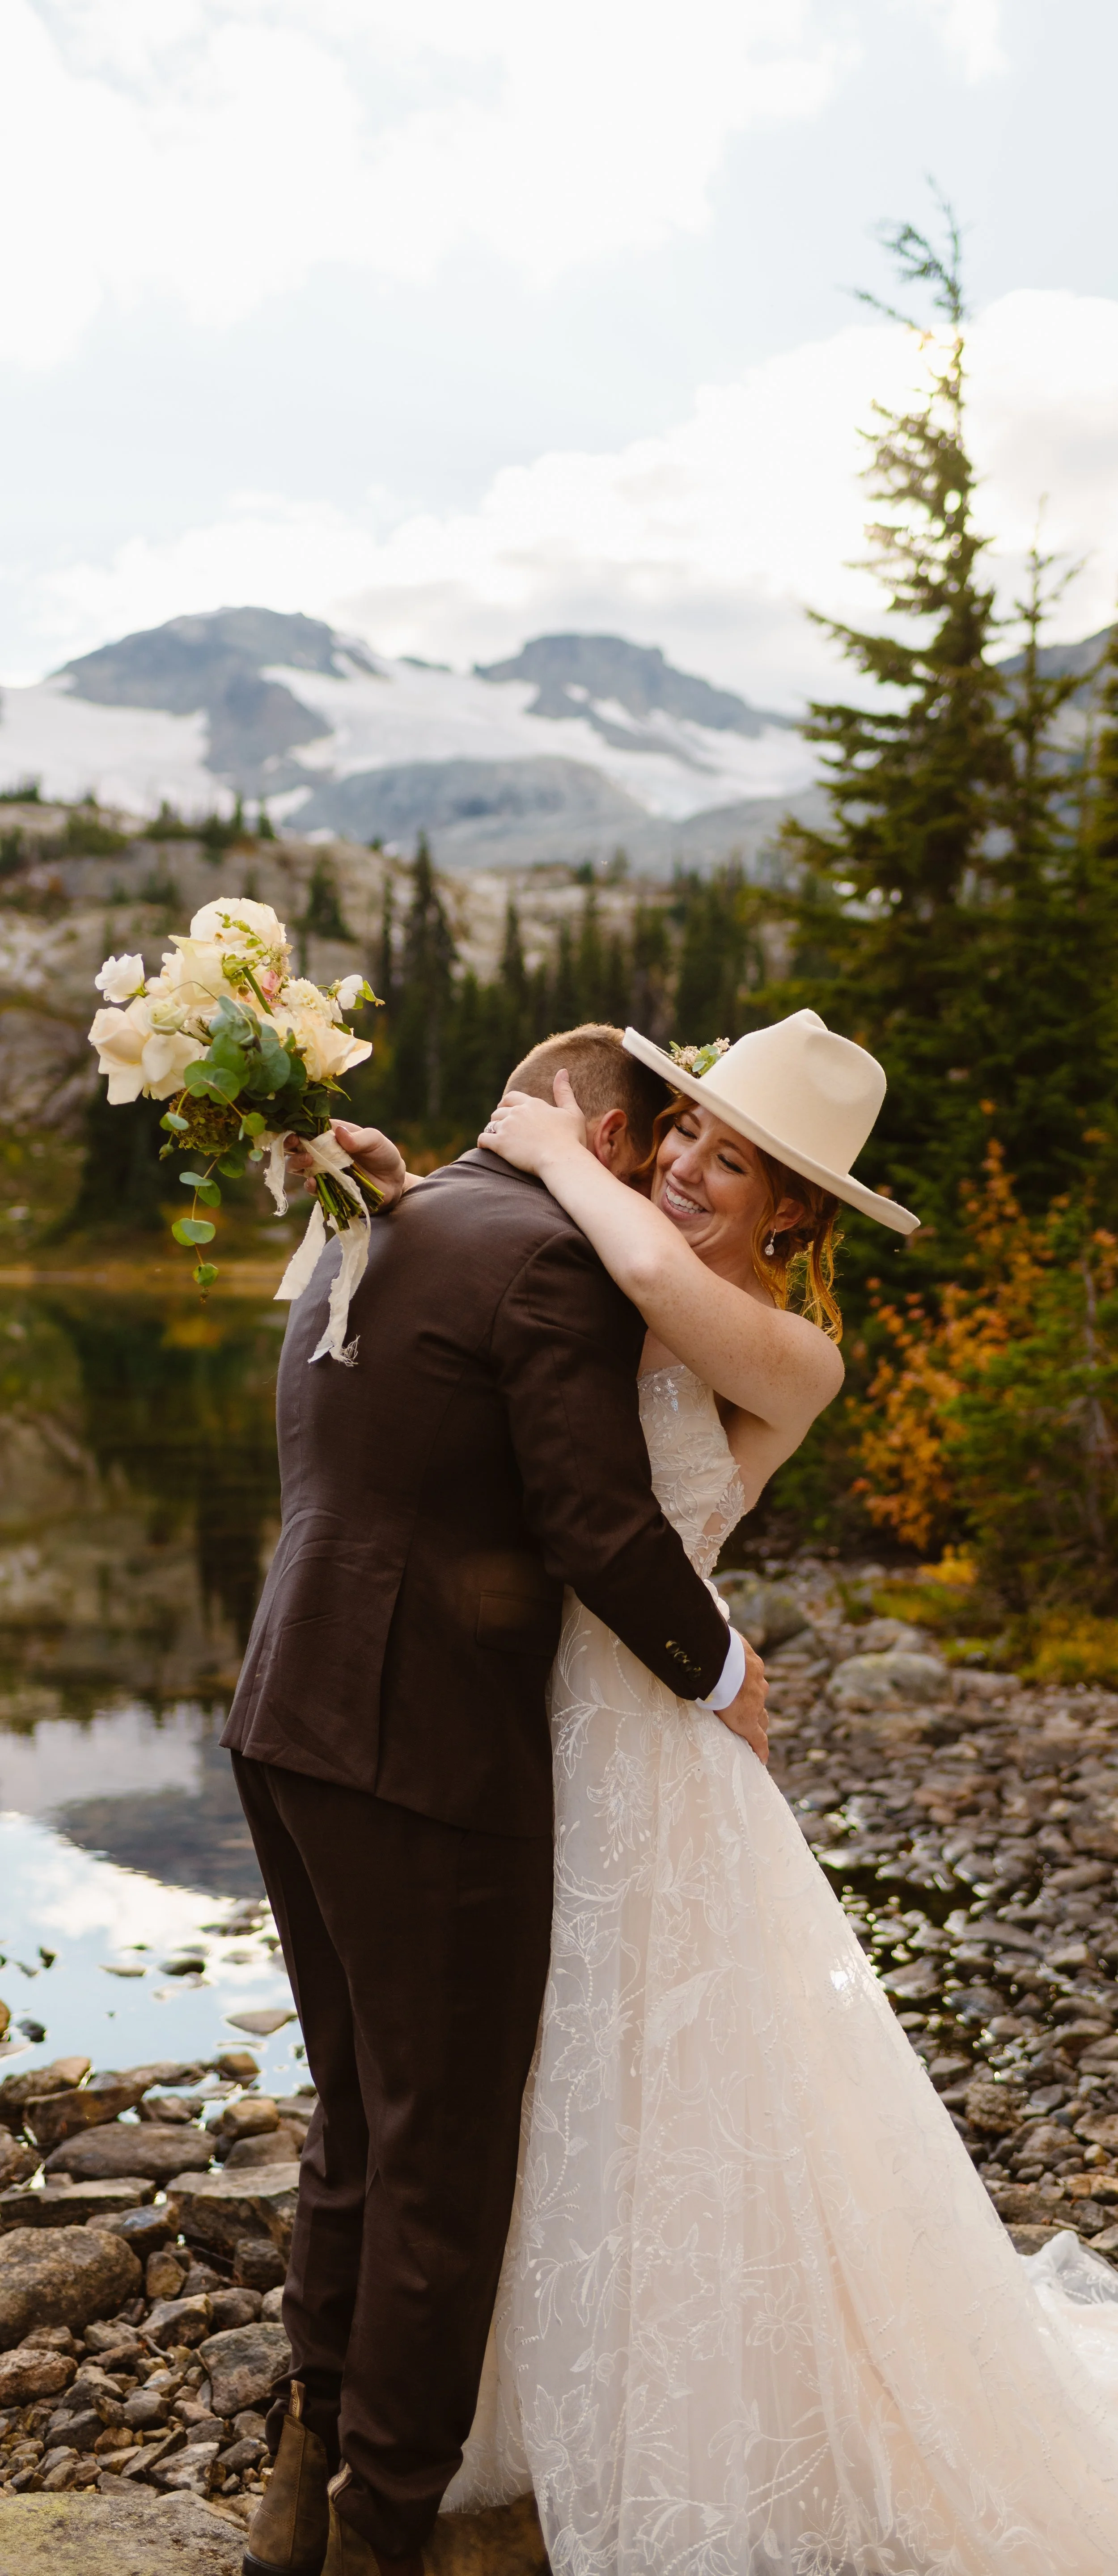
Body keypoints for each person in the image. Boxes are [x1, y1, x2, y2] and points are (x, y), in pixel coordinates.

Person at [433, 1007, 1118, 2576]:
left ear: (791, 1211)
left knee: (680, 2089)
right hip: (535, 1723)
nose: (679, 1167)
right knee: (540, 2070)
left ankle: (698, 2436)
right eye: (676, 1133)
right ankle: (525, 2399)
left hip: (656, 1753)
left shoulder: (787, 1351)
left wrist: (541, 1141)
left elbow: (660, 1284)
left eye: (727, 1160)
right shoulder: (582, 1271)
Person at [221, 1023, 770, 2576]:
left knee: (358, 2120)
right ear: (603, 1133)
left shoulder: (373, 1222)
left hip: (286, 1700)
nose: (664, 1174)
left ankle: (305, 2471)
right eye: (656, 1141)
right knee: (447, 2152)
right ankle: (381, 2531)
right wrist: (722, 1675)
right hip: (420, 1741)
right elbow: (593, 1520)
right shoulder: (546, 1258)